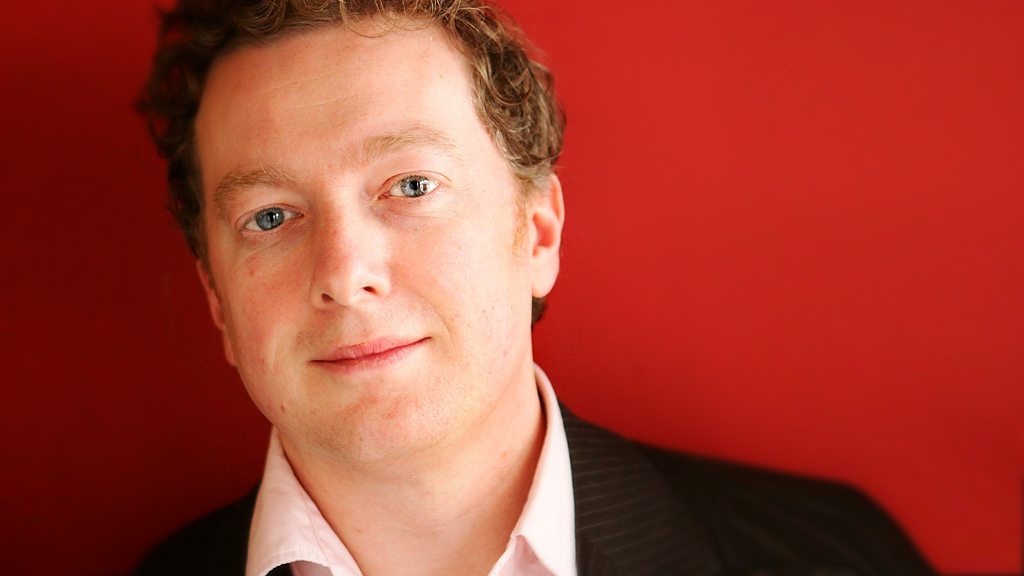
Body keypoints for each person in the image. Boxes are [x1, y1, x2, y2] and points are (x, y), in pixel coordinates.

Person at [135, 1, 935, 574]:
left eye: (411, 186)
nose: (345, 276)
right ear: (217, 299)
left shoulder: (832, 555)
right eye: (270, 217)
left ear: (539, 234)